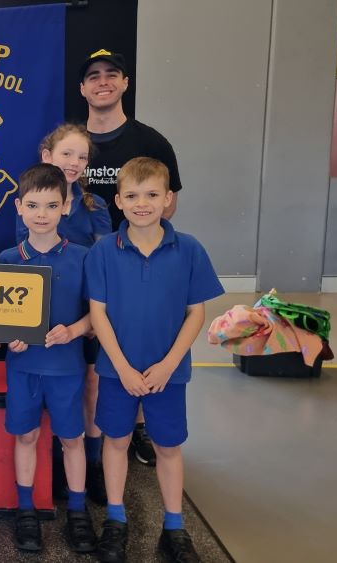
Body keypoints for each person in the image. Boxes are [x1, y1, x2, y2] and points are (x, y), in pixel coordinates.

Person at [86, 157, 223, 563]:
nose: (141, 203)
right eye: (131, 195)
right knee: (116, 440)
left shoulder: (189, 249)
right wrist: (123, 367)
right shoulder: (104, 252)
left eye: (151, 195)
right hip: (117, 371)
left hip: (169, 372)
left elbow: (196, 312)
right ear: (118, 201)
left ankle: (176, 527)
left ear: (168, 199)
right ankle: (115, 518)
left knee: (167, 446)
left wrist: (168, 364)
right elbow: (98, 313)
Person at [80, 48, 184, 466]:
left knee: (138, 350)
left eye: (112, 74)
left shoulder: (151, 142)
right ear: (82, 88)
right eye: (93, 76)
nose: (103, 81)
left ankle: (134, 430)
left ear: (125, 82)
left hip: (131, 266)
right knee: (93, 366)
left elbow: (171, 203)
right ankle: (94, 450)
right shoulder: (71, 143)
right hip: (81, 267)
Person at [0, 163, 97, 554]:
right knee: (26, 435)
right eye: (33, 205)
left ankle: (76, 511)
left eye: (51, 205)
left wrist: (74, 330)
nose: (41, 214)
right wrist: (8, 339)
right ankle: (25, 512)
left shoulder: (84, 257)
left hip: (67, 370)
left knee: (72, 439)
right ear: (19, 207)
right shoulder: (6, 260)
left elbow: (98, 314)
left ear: (65, 208)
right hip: (23, 370)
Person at [16, 123, 112, 505]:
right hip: (46, 318)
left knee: (90, 386)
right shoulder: (31, 200)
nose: (74, 163)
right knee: (54, 394)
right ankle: (55, 465)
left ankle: (93, 466)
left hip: (86, 314)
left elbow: (104, 264)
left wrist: (90, 319)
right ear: (48, 157)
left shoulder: (94, 207)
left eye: (82, 157)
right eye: (67, 154)